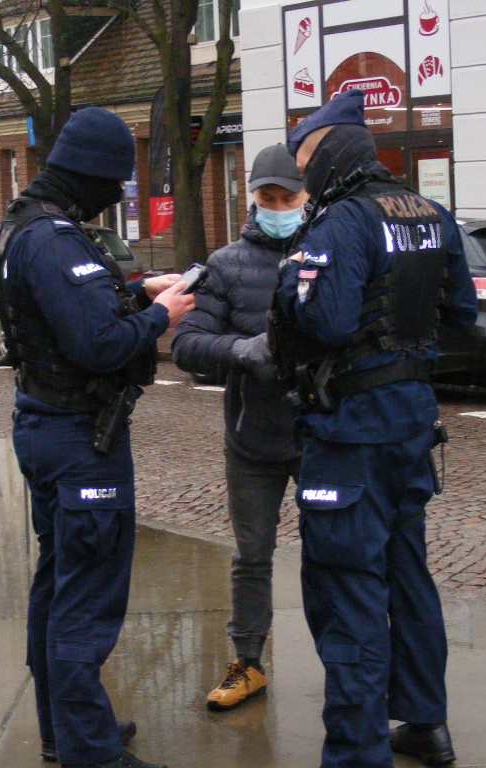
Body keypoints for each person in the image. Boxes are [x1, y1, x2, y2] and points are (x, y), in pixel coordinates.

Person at [273, 89, 478, 768]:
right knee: (408, 573)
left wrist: (288, 290)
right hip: (411, 423)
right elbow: (463, 316)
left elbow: (325, 322)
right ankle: (426, 721)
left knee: (348, 588)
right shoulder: (431, 215)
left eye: (306, 160)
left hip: (351, 431)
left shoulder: (342, 222)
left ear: (330, 153)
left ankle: (357, 754)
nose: (302, 177)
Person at [0, 107, 195, 768]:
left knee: (57, 586)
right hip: (81, 441)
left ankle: (66, 730)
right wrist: (160, 315)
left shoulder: (29, 226)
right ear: (89, 174)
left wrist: (136, 291)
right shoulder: (53, 239)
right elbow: (98, 343)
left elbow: (71, 314)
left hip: (50, 427)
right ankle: (91, 753)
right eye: (114, 183)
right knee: (85, 604)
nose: (117, 198)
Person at [170, 144, 306, 712]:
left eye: (287, 197)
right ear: (253, 199)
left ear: (305, 199)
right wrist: (242, 350)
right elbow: (185, 344)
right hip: (252, 437)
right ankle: (247, 662)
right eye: (267, 197)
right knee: (252, 555)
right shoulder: (225, 264)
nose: (277, 206)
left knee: (333, 554)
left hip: (321, 433)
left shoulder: (329, 250)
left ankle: (350, 664)